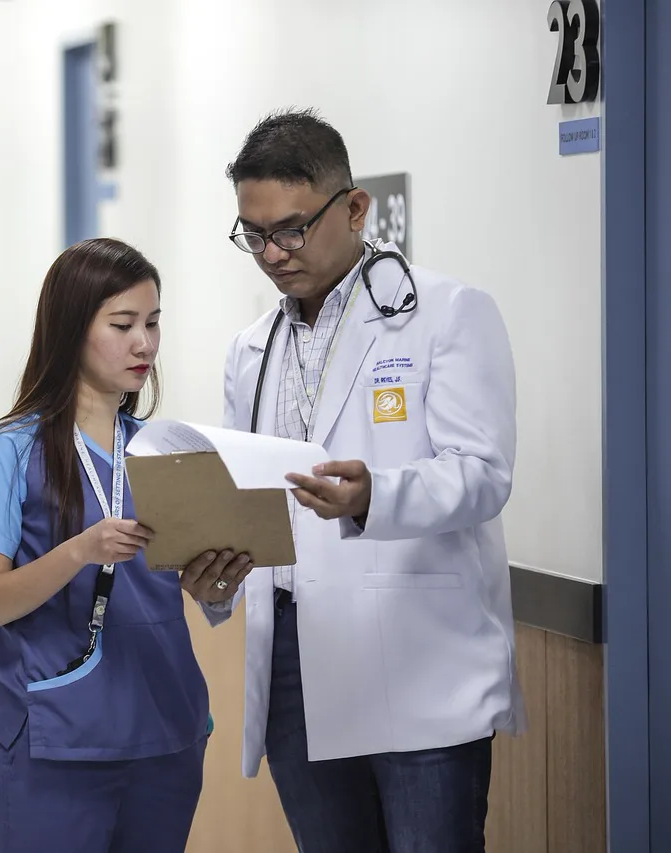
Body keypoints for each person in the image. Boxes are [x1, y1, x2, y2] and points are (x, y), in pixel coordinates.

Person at [205, 108, 526, 852]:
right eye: (252, 235)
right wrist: (214, 567)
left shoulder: (445, 313)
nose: (272, 253)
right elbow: (246, 496)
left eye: (290, 229)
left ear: (354, 208)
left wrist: (375, 496)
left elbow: (483, 475)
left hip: (413, 656)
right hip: (292, 660)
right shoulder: (252, 351)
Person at [0, 237, 253, 853]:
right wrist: (78, 552)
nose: (144, 344)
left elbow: (188, 592)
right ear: (69, 331)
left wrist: (215, 584)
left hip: (165, 737)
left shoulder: (164, 450)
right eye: (122, 325)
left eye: (152, 323)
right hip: (54, 744)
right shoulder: (9, 452)